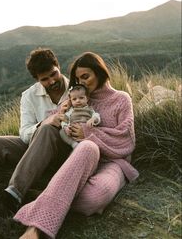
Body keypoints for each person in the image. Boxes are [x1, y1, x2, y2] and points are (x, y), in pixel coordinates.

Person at [14, 52, 139, 239]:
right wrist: (61, 113)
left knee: (92, 199)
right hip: (81, 159)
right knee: (88, 148)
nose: (82, 82)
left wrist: (90, 133)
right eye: (78, 78)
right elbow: (58, 124)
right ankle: (35, 229)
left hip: (113, 163)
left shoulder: (121, 99)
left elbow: (126, 141)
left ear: (99, 72)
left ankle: (45, 195)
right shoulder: (77, 99)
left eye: (86, 76)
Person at [0, 48, 71, 215]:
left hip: (66, 151)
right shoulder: (29, 96)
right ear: (37, 79)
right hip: (37, 150)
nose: (51, 81)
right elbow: (25, 132)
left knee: (48, 130)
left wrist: (51, 126)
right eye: (45, 79)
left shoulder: (76, 91)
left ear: (58, 66)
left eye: (53, 74)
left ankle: (13, 195)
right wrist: (44, 123)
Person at [59, 84, 101, 149]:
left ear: (87, 99)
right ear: (71, 101)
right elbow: (65, 120)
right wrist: (65, 127)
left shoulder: (89, 109)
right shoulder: (71, 111)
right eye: (74, 99)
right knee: (61, 132)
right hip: (72, 133)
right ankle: (73, 144)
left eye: (81, 98)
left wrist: (93, 119)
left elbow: (97, 115)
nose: (78, 101)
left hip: (85, 133)